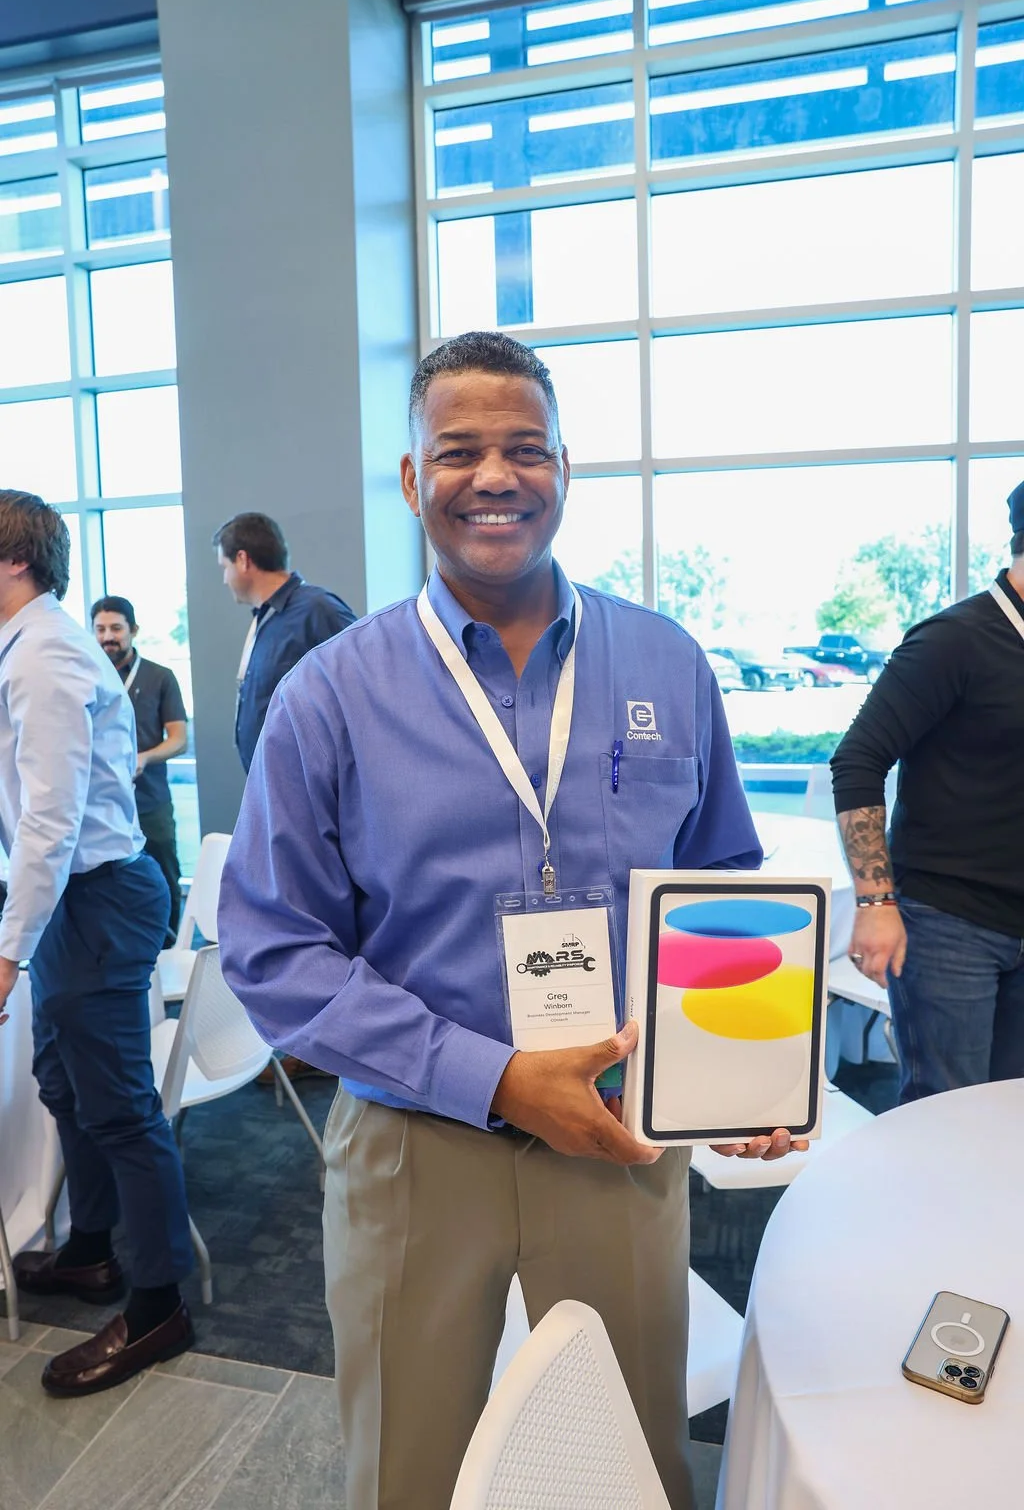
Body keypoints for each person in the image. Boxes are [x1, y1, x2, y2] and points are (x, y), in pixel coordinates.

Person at [218, 331, 804, 1510]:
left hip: (615, 1128)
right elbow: (272, 950)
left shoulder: (667, 661)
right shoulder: (329, 695)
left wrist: (734, 1075)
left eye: (524, 449)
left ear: (564, 470)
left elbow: (725, 884)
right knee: (407, 1468)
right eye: (461, 450)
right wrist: (491, 1077)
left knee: (632, 1460)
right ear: (411, 478)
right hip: (416, 1140)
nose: (495, 476)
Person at [0, 491, 194, 1396]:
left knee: (120, 1109)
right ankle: (89, 1252)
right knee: (63, 1083)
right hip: (78, 901)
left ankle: (159, 1308)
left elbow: (50, 821)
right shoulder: (34, 648)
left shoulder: (42, 658)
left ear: (13, 562)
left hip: (97, 897)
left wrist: (7, 953)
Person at [831, 480, 1024, 1104]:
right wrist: (875, 902)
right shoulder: (954, 640)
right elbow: (858, 760)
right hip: (949, 924)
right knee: (948, 1111)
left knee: (1009, 1114)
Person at [213, 511, 356, 773]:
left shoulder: (318, 610)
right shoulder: (266, 617)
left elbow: (360, 690)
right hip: (276, 784)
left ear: (243, 560)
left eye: (225, 567)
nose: (224, 579)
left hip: (309, 785)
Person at [91, 595, 188, 946]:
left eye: (116, 628)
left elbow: (179, 739)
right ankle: (124, 948)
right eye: (100, 629)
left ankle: (171, 948)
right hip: (101, 802)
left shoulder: (161, 676)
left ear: (133, 630)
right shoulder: (86, 676)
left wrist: (144, 758)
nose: (108, 637)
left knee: (164, 872)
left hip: (151, 799)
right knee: (107, 879)